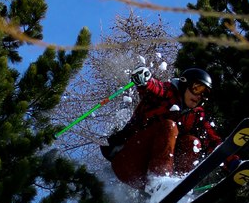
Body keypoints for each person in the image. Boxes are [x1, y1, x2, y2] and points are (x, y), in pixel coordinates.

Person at [100, 65, 236, 189]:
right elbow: (155, 88)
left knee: (192, 142)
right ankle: (160, 182)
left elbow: (212, 141)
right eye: (197, 88)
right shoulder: (168, 93)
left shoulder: (196, 115)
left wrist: (232, 162)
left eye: (205, 94)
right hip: (129, 160)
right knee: (169, 126)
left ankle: (176, 186)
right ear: (185, 84)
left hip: (147, 172)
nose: (199, 96)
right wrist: (145, 81)